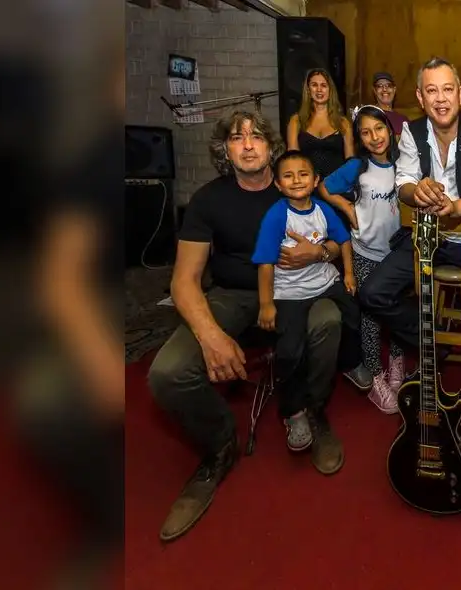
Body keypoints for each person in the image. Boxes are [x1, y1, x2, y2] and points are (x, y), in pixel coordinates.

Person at [148, 111, 345, 544]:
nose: (248, 144)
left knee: (329, 321)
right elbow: (183, 281)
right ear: (226, 150)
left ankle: (313, 410)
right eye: (237, 138)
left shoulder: (295, 183)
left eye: (256, 136)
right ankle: (219, 446)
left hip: (296, 292)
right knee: (168, 373)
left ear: (271, 147)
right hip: (233, 297)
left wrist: (320, 253)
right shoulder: (208, 200)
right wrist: (211, 335)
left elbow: (337, 239)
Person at [359, 57, 461, 406]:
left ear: (460, 93)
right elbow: (403, 181)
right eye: (432, 91)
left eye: (447, 89)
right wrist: (416, 191)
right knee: (372, 293)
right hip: (424, 235)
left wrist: (458, 207)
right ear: (421, 97)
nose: (441, 98)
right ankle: (432, 341)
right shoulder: (411, 132)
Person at [252, 150, 359, 452]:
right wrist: (266, 304)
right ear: (278, 184)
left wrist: (348, 274)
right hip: (290, 293)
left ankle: (351, 363)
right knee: (290, 351)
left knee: (354, 312)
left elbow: (344, 240)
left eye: (303, 174)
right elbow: (264, 263)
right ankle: (293, 410)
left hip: (324, 282)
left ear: (315, 180)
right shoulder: (276, 215)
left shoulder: (323, 209)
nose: (297, 180)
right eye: (288, 176)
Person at [319, 105, 406, 412]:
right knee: (370, 316)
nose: (374, 137)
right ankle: (376, 374)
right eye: (366, 132)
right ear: (359, 138)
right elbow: (324, 187)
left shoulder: (405, 162)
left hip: (398, 253)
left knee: (397, 309)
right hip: (366, 251)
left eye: (379, 129)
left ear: (390, 130)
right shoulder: (357, 166)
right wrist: (347, 207)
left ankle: (397, 361)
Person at [287, 67, 354, 179]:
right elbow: (293, 160)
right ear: (308, 90)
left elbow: (350, 160)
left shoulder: (343, 123)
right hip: (307, 183)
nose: (319, 89)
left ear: (330, 90)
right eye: (314, 85)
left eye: (323, 85)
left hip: (337, 183)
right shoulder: (296, 121)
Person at [372, 71, 409, 140]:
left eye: (389, 85)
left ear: (394, 90)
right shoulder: (369, 116)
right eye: (379, 86)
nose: (384, 89)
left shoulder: (403, 120)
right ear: (374, 90)